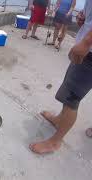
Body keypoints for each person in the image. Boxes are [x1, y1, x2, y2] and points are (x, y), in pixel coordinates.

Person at [30, 0, 92, 154]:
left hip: (89, 52)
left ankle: (55, 142)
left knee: (72, 98)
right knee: (68, 89)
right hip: (87, 48)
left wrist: (86, 41)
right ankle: (59, 120)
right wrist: (85, 18)